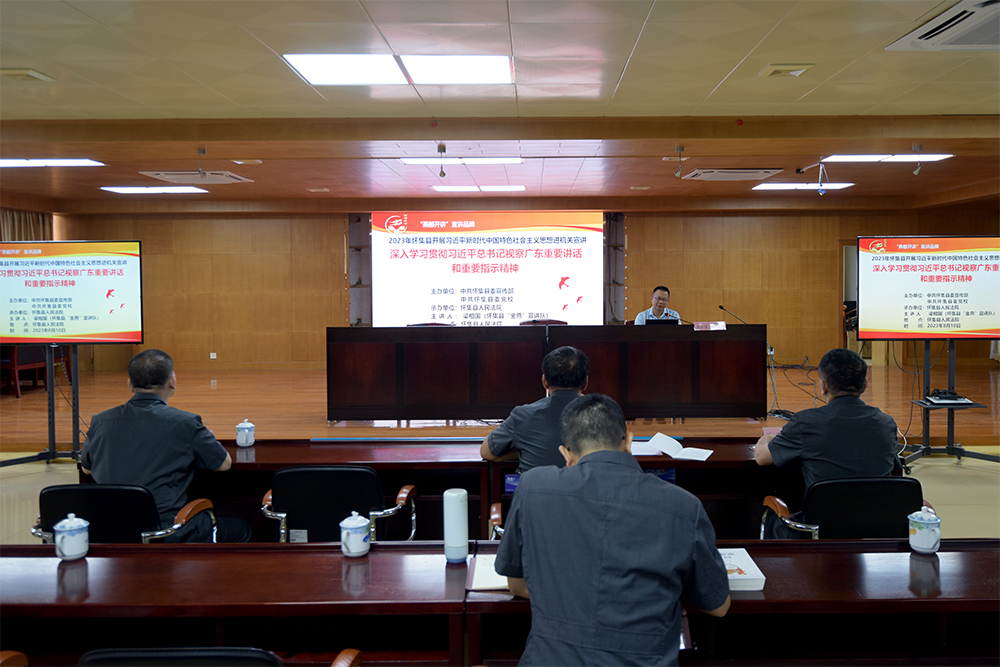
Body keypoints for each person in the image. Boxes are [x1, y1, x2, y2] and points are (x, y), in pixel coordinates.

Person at [494, 394, 731, 666]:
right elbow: (718, 606)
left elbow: (517, 584)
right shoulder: (684, 506)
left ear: (566, 455)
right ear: (629, 442)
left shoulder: (532, 487)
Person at [81, 349, 251, 543]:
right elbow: (224, 464)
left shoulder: (100, 421)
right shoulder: (186, 424)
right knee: (242, 528)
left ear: (130, 384)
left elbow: (87, 468)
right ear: (172, 381)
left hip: (111, 530)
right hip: (166, 531)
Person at [755, 347, 901, 539]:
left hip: (819, 533)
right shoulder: (886, 424)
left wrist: (767, 439)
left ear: (823, 386)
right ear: (864, 385)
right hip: (875, 531)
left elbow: (762, 458)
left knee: (772, 520)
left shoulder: (805, 423)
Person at [480, 346, 589, 473]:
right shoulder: (604, 415)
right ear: (585, 383)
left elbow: (487, 453)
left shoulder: (522, 415)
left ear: (545, 382)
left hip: (536, 486)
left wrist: (524, 450)